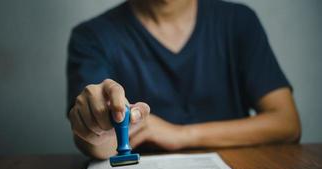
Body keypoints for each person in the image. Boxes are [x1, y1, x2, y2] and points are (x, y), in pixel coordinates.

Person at [67, 0, 301, 159]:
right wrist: (95, 128)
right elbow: (96, 144)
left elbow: (286, 123)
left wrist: (180, 134)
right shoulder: (91, 37)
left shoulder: (240, 21)